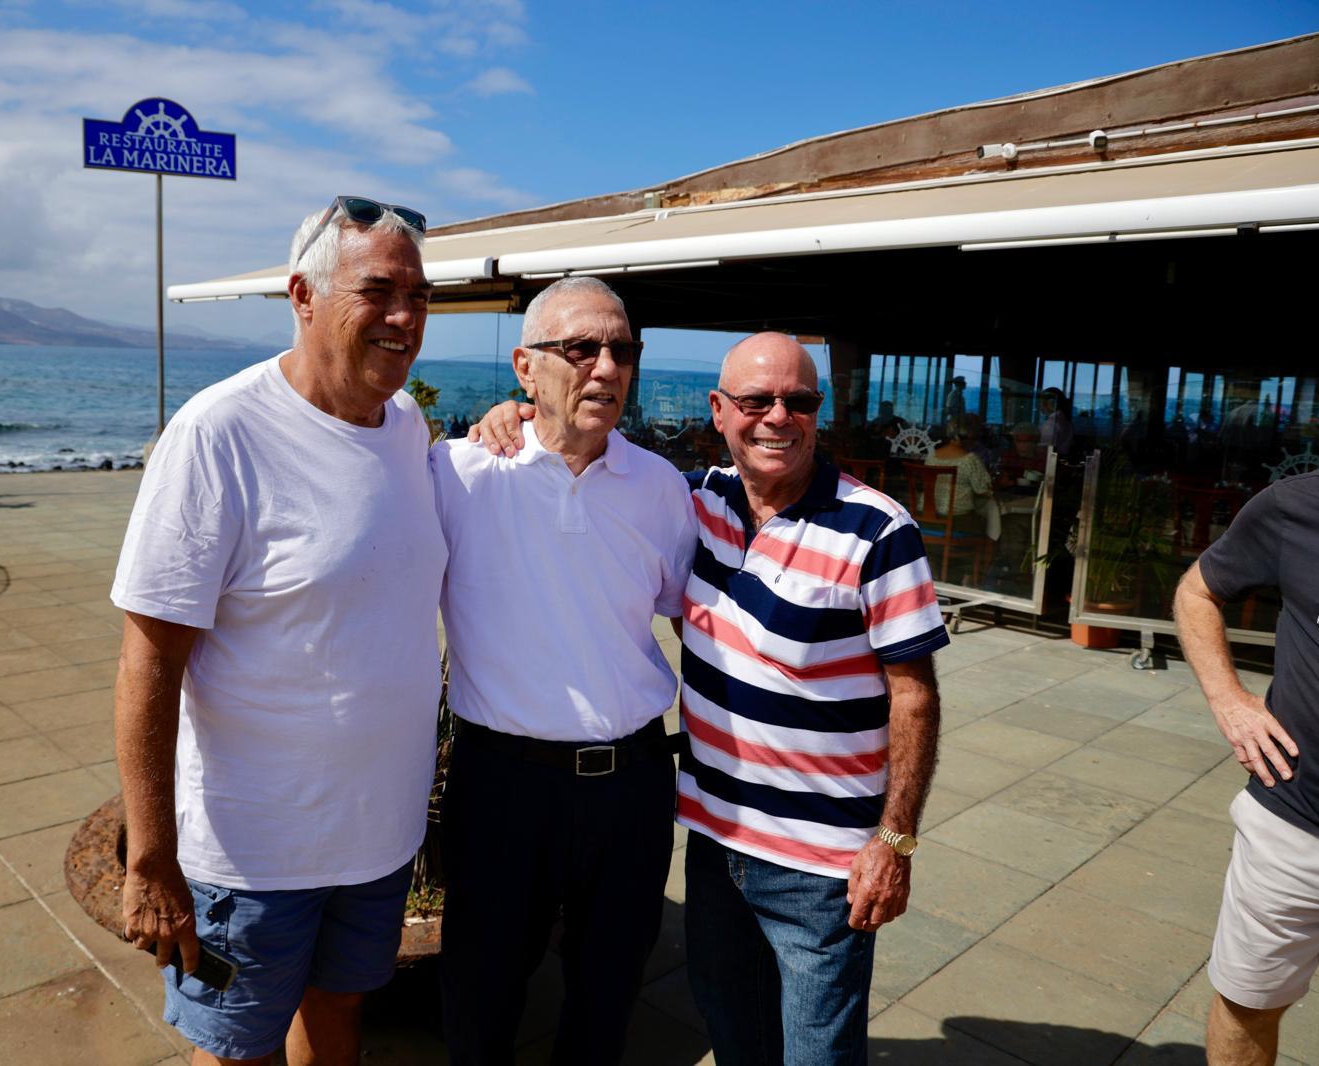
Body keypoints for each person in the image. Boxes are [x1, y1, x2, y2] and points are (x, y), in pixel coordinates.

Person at [110, 195, 444, 1066]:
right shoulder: (219, 433)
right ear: (302, 295)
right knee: (231, 1051)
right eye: (379, 290)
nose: (405, 317)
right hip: (252, 855)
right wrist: (151, 859)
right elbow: (149, 661)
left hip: (377, 841)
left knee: (337, 1025)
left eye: (419, 295)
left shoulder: (409, 430)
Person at [431, 277, 698, 1064]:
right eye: (582, 349)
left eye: (623, 350)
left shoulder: (661, 488)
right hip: (501, 787)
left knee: (608, 1000)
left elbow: (692, 617)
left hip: (632, 786)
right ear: (526, 368)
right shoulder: (458, 476)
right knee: (481, 1001)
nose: (607, 368)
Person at [681, 333, 947, 1066]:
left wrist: (894, 843)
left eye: (799, 401)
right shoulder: (698, 501)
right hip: (713, 841)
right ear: (719, 411)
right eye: (756, 400)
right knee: (737, 1042)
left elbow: (915, 699)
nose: (778, 417)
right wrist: (510, 419)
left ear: (817, 413)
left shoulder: (879, 530)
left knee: (816, 1059)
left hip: (820, 871)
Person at [1172, 460, 1319, 1066]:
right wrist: (1229, 699)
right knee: (1249, 1001)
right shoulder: (1304, 504)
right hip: (1296, 817)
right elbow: (1198, 591)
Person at [922, 413, 995, 537]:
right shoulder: (970, 460)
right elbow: (984, 489)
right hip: (958, 520)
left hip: (926, 517)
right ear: (971, 436)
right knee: (988, 523)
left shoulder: (931, 456)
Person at [1038, 386, 1074, 458]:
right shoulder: (1065, 421)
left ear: (1051, 402)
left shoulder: (1050, 425)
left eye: (1041, 401)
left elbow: (1044, 452)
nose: (1039, 404)